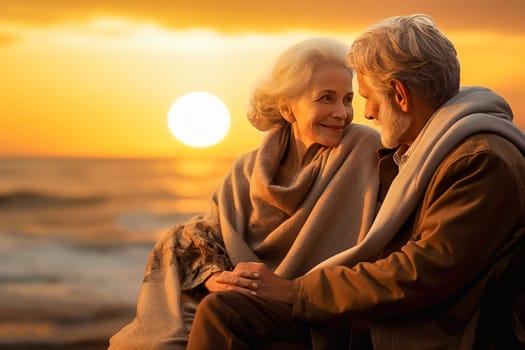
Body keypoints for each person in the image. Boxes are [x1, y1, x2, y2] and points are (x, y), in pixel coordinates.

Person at [185, 14, 525, 350]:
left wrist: (295, 291)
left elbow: (419, 274)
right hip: (395, 313)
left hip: (424, 327)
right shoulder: (432, 149)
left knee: (225, 314)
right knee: (224, 310)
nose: (364, 114)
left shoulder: (477, 161)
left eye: (363, 97)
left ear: (400, 94)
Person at [108, 37, 382, 349]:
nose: (341, 113)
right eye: (326, 98)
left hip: (316, 306)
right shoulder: (248, 169)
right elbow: (210, 230)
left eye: (347, 100)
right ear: (287, 108)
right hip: (252, 300)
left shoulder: (362, 148)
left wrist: (290, 288)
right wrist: (216, 277)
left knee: (220, 310)